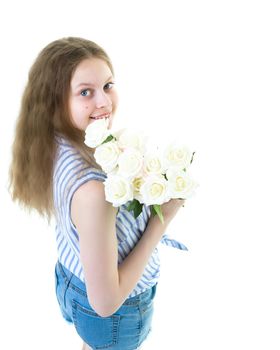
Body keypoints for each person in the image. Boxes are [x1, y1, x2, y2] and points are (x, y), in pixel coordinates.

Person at [9, 37, 186, 350]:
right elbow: (107, 304)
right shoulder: (94, 192)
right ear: (54, 102)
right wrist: (162, 221)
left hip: (72, 279)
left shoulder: (54, 141)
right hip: (114, 315)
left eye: (108, 85)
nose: (103, 102)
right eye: (85, 92)